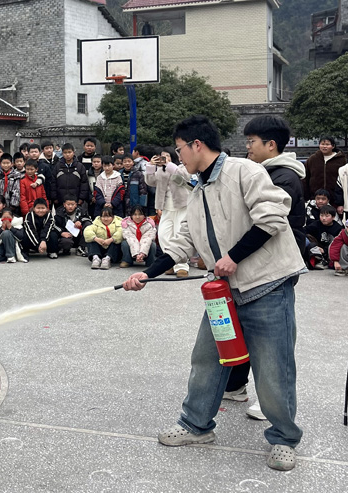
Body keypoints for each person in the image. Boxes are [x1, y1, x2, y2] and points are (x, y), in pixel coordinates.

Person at [121, 115, 306, 472]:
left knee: (273, 369)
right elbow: (183, 243)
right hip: (224, 295)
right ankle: (196, 425)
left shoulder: (244, 172)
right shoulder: (197, 188)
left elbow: (272, 216)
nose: (178, 156)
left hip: (266, 286)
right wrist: (147, 274)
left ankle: (284, 437)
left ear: (196, 145)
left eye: (179, 149)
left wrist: (232, 258)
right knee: (207, 359)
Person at [243, 116, 307, 256]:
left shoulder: (284, 178)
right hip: (270, 251)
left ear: (271, 145)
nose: (248, 146)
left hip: (282, 254)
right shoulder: (263, 172)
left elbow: (268, 222)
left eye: (252, 141)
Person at [145, 151, 191, 276]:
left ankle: (182, 266)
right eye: (161, 156)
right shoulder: (160, 170)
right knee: (163, 235)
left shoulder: (181, 167)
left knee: (179, 234)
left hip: (182, 206)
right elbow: (150, 182)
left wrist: (169, 164)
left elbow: (185, 177)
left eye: (167, 156)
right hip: (166, 207)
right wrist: (150, 166)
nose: (163, 158)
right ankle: (169, 263)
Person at [303, 136, 346, 201]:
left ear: (333, 146)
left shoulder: (341, 160)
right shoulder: (312, 159)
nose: (324, 146)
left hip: (335, 199)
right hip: (315, 199)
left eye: (327, 144)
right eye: (322, 144)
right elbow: (305, 178)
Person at [305, 204, 342, 269]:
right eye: (322, 215)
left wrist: (325, 250)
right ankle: (316, 260)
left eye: (327, 216)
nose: (324, 218)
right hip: (317, 246)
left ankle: (325, 261)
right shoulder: (317, 224)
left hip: (331, 249)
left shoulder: (338, 228)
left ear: (333, 217)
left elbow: (338, 243)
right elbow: (304, 230)